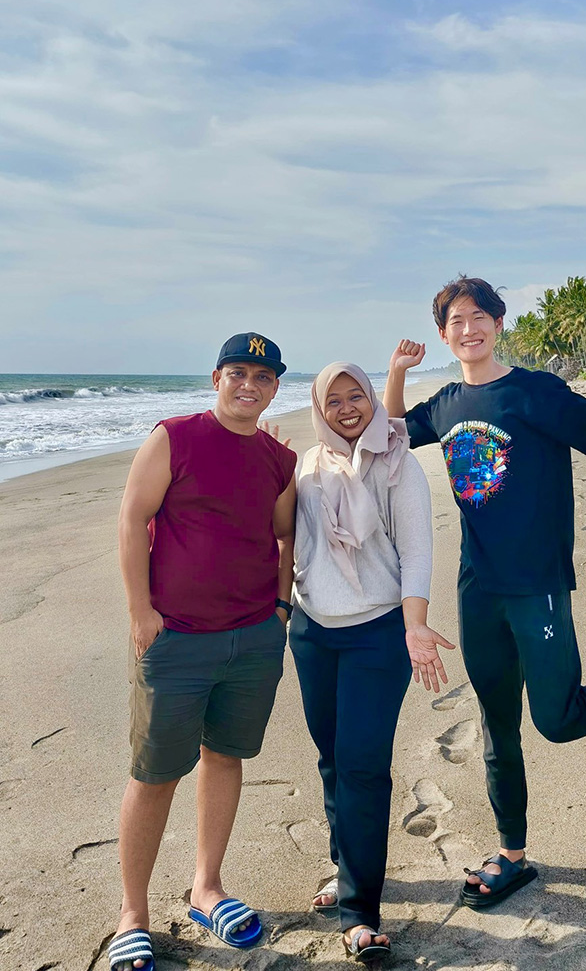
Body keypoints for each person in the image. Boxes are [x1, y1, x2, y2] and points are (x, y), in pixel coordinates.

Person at [384, 276, 586, 909]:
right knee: (497, 725)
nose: (468, 329)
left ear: (498, 323)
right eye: (456, 321)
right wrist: (397, 372)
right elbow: (393, 432)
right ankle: (512, 855)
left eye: (478, 316)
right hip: (477, 587)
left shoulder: (533, 391)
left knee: (557, 719)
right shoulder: (446, 402)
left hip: (536, 582)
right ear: (444, 335)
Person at [108, 333, 297, 971]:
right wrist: (140, 612)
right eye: (238, 372)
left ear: (275, 387)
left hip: (253, 637)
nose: (250, 385)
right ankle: (133, 914)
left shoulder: (278, 457)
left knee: (225, 757)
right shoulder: (174, 437)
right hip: (178, 637)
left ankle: (206, 888)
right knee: (155, 773)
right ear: (217, 378)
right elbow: (132, 518)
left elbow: (285, 534)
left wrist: (279, 609)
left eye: (263, 377)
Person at [290, 362, 455, 963]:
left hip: (378, 633)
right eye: (332, 400)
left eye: (355, 395)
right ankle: (346, 867)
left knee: (362, 764)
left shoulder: (398, 464)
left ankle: (359, 909)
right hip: (312, 632)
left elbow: (417, 551)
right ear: (319, 408)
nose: (346, 408)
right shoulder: (307, 466)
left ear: (371, 398)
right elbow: (286, 540)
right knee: (332, 758)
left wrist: (415, 625)